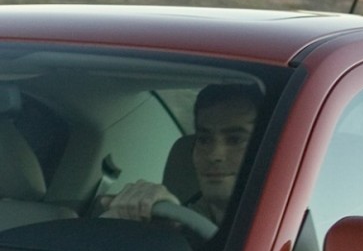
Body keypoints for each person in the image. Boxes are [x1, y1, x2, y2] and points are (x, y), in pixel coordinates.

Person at [98, 81, 264, 237]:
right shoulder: (165, 222)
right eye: (204, 140)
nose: (214, 155)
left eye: (235, 140)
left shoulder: (285, 233)